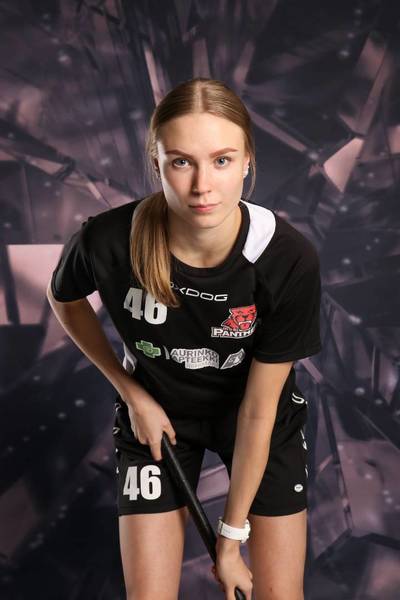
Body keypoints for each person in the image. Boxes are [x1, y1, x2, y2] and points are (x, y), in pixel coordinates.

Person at [47, 77, 322, 600]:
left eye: (221, 160)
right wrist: (132, 393)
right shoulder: (108, 239)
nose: (202, 186)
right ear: (157, 165)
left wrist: (230, 541)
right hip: (159, 415)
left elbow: (258, 412)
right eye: (181, 162)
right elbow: (64, 297)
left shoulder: (286, 258)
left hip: (254, 417)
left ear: (247, 161)